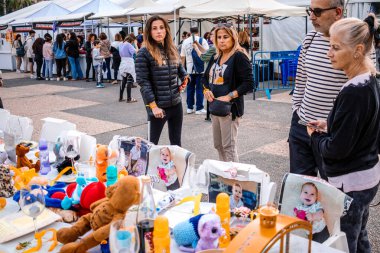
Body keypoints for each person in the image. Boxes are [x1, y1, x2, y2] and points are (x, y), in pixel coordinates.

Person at [308, 15, 380, 253]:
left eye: (336, 48)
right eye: (330, 45)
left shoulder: (353, 91)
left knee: (343, 243)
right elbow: (363, 127)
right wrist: (330, 125)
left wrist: (315, 137)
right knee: (359, 235)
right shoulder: (368, 80)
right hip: (366, 177)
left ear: (358, 50)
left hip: (350, 182)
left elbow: (337, 149)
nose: (329, 53)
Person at [289, 0, 345, 180]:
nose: (312, 16)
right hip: (302, 127)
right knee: (302, 192)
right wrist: (297, 111)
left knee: (335, 196)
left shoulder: (356, 40)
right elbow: (301, 79)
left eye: (318, 12)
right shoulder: (310, 38)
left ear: (338, 12)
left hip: (334, 133)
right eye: (310, 11)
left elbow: (363, 86)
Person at [136, 15, 189, 146]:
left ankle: (175, 167)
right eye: (154, 28)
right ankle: (143, 166)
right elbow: (143, 82)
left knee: (176, 144)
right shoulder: (144, 53)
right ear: (149, 32)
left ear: (166, 30)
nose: (159, 31)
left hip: (176, 104)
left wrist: (184, 77)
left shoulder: (172, 48)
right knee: (150, 144)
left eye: (161, 28)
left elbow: (179, 66)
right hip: (158, 107)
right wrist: (153, 107)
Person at [203, 24, 252, 162]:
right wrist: (206, 90)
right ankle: (224, 174)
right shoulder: (216, 56)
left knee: (228, 146)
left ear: (233, 38)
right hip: (215, 107)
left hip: (230, 109)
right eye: (219, 37)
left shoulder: (239, 56)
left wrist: (230, 96)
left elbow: (249, 83)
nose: (222, 40)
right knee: (218, 145)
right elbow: (205, 78)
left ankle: (233, 180)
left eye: (225, 37)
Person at [181, 26, 209, 115]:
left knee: (190, 88)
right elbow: (207, 54)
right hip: (200, 68)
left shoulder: (185, 41)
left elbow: (182, 56)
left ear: (190, 31)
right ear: (198, 31)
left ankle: (190, 107)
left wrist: (182, 69)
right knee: (200, 88)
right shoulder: (202, 40)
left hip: (189, 69)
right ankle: (199, 108)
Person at [193, 27, 217, 121]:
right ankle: (210, 114)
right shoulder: (213, 47)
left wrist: (196, 48)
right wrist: (198, 44)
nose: (210, 35)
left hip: (209, 73)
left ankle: (211, 114)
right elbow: (206, 52)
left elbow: (203, 57)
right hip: (210, 72)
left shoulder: (215, 47)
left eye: (212, 34)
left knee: (209, 93)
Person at [119, 35, 137, 102]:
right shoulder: (129, 44)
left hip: (123, 62)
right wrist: (135, 44)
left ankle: (121, 97)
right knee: (129, 80)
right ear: (131, 40)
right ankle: (129, 98)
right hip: (129, 63)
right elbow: (136, 51)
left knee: (123, 80)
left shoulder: (121, 44)